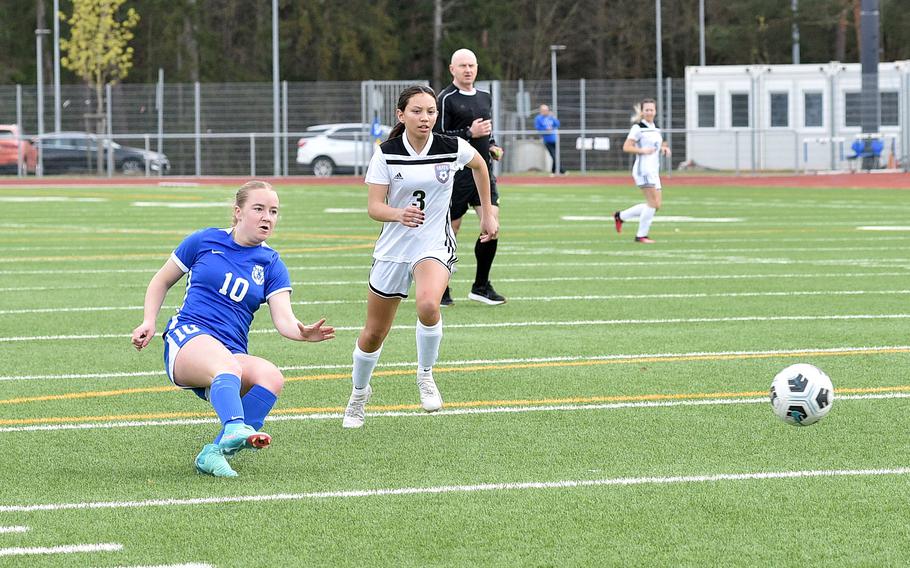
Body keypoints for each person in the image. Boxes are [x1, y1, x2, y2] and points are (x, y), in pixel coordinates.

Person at [131, 180, 335, 477]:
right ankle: (234, 428)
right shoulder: (204, 241)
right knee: (227, 366)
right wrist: (149, 320)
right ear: (238, 212)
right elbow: (161, 280)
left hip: (228, 355)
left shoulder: (271, 264)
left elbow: (284, 320)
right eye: (259, 209)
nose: (267, 217)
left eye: (274, 211)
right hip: (188, 337)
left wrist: (302, 332)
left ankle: (213, 453)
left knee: (271, 377)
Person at [342, 85, 498, 429]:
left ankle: (425, 375)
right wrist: (398, 214)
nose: (425, 117)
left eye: (430, 111)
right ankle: (358, 394)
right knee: (373, 333)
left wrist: (488, 213)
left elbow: (481, 166)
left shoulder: (451, 146)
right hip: (393, 250)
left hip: (433, 245)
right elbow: (374, 207)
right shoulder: (386, 153)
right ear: (401, 115)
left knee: (429, 305)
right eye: (417, 111)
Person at [434, 48, 506, 307]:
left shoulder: (485, 96)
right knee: (450, 231)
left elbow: (485, 132)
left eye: (472, 65)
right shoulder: (445, 98)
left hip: (484, 173)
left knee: (492, 226)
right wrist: (468, 132)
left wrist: (493, 146)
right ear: (452, 69)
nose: (468, 70)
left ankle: (481, 285)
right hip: (456, 175)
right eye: (462, 65)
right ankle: (440, 287)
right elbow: (440, 137)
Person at [614, 98, 671, 244]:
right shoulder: (637, 128)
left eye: (652, 109)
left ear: (655, 111)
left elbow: (659, 144)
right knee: (652, 203)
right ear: (642, 111)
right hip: (643, 170)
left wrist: (664, 148)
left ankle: (621, 216)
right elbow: (626, 147)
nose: (649, 112)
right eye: (647, 110)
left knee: (656, 204)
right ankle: (641, 236)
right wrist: (642, 150)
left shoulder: (655, 128)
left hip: (654, 170)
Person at [534, 104, 565, 175]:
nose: (546, 111)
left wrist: (553, 117)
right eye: (544, 110)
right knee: (554, 155)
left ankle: (554, 171)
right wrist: (545, 129)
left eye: (547, 110)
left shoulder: (550, 117)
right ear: (541, 111)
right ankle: (561, 171)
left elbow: (557, 124)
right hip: (547, 140)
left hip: (555, 139)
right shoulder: (538, 118)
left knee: (556, 156)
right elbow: (538, 128)